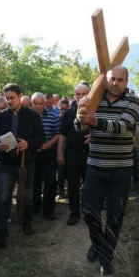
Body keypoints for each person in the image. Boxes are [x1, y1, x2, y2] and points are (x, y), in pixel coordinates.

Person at [76, 66, 139, 276]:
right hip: (95, 166)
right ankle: (97, 243)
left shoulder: (132, 101)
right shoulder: (95, 98)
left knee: (115, 214)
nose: (115, 83)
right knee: (87, 209)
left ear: (126, 81)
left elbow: (123, 126)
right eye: (112, 79)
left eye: (120, 80)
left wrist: (93, 121)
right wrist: (81, 113)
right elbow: (79, 128)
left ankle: (106, 255)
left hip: (121, 168)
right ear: (106, 79)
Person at [0, 83, 44, 249]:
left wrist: (29, 144)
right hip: (6, 164)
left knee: (28, 198)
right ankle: (0, 236)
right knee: (4, 199)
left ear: (20, 96)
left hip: (27, 163)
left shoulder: (32, 115)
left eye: (12, 98)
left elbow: (41, 137)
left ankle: (26, 224)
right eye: (7, 98)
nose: (9, 101)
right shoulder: (2, 116)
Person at [57, 84, 89, 225]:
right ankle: (74, 214)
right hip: (72, 154)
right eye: (78, 94)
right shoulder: (69, 113)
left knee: (90, 185)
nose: (81, 96)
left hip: (90, 154)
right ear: (75, 95)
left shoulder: (95, 111)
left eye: (84, 94)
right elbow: (62, 134)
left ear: (88, 95)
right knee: (72, 185)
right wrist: (59, 152)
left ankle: (89, 212)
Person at [31, 92, 60, 220]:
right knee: (35, 181)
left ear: (45, 103)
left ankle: (48, 210)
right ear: (32, 104)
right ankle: (36, 206)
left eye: (40, 103)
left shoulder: (53, 116)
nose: (38, 106)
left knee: (50, 182)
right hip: (33, 153)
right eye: (35, 104)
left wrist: (49, 144)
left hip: (49, 153)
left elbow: (58, 133)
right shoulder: (27, 118)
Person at [56, 98, 70, 197]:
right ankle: (60, 189)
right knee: (60, 175)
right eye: (62, 109)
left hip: (69, 150)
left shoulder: (71, 119)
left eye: (66, 109)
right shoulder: (57, 119)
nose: (64, 111)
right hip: (59, 149)